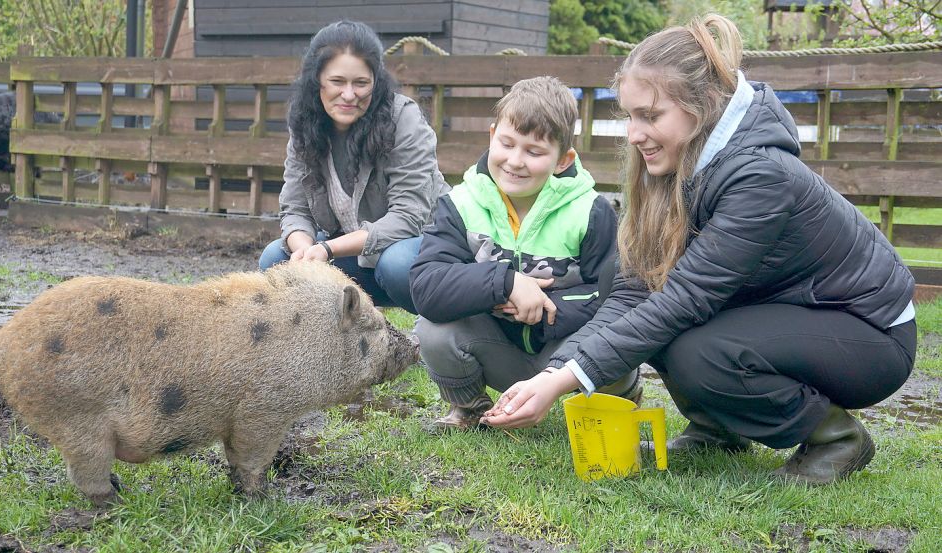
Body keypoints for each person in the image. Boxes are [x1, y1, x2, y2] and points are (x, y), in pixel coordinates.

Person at [481, 15, 916, 485]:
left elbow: (683, 300)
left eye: (650, 115)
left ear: (703, 105)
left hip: (868, 334)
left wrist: (564, 382)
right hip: (784, 309)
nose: (634, 133)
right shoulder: (672, 163)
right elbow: (633, 293)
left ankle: (836, 437)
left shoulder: (760, 176)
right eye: (629, 115)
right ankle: (718, 428)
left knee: (699, 350)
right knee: (621, 280)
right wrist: (560, 370)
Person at [409, 76, 640, 430]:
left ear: (563, 160)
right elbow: (427, 285)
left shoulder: (591, 212)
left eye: (534, 151)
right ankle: (471, 408)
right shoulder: (459, 203)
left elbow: (615, 297)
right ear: (491, 136)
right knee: (433, 330)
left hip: (569, 354)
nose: (515, 161)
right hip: (500, 349)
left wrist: (546, 308)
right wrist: (506, 283)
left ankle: (617, 397)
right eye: (507, 143)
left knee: (616, 337)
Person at [259, 20, 449, 314]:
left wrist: (327, 249)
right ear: (317, 80)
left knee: (396, 263)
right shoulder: (305, 125)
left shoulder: (403, 119)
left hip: (419, 253)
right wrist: (305, 250)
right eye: (337, 82)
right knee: (275, 259)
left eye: (361, 83)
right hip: (354, 257)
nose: (349, 95)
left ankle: (442, 325)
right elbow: (294, 209)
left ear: (376, 81)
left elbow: (408, 217)